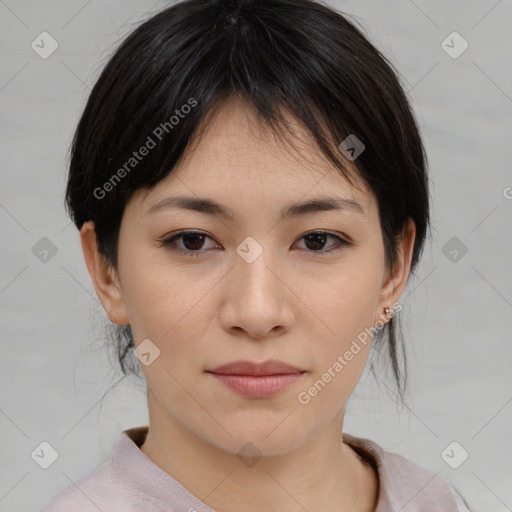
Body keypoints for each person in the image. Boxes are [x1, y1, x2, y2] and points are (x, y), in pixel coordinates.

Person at [39, 0, 472, 510]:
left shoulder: (431, 500)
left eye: (317, 240)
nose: (257, 312)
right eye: (192, 240)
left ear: (394, 269)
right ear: (106, 271)